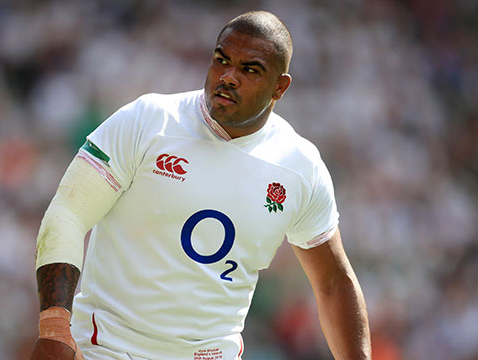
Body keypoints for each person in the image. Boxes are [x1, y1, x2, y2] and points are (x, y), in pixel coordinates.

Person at [30, 10, 371, 360]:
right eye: (221, 60)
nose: (228, 77)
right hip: (107, 350)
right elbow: (68, 212)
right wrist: (55, 327)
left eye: (249, 70)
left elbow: (333, 282)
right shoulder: (148, 121)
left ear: (279, 87)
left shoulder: (301, 168)